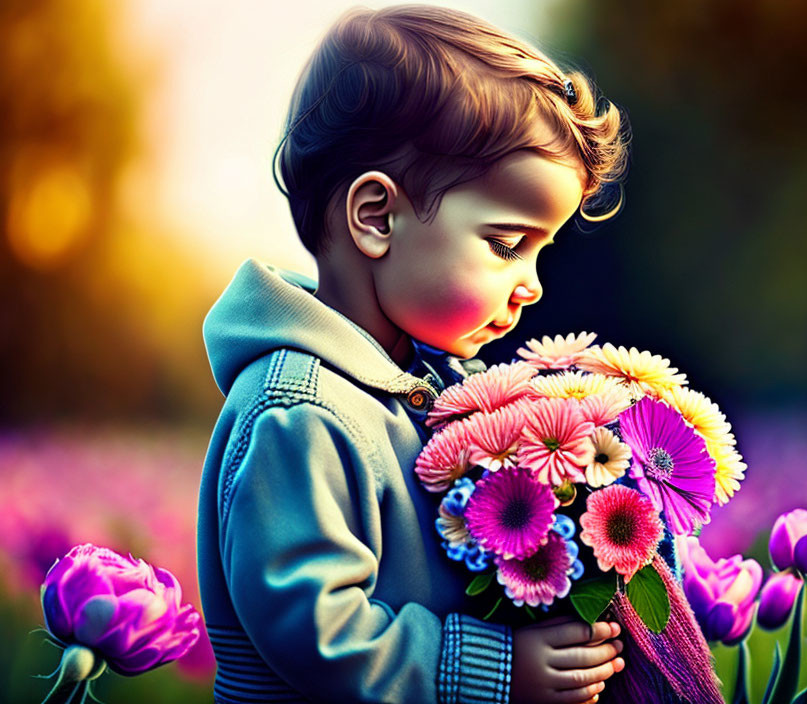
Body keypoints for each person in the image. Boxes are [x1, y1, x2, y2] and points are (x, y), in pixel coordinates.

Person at [197, 5, 629, 703]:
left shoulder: (416, 383)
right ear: (376, 217)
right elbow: (318, 630)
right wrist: (500, 669)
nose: (533, 285)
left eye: (541, 250)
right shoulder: (298, 411)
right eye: (506, 244)